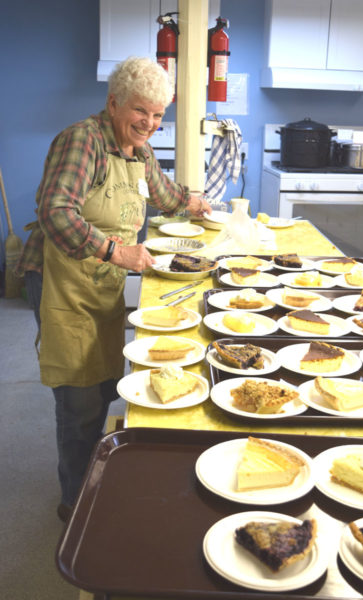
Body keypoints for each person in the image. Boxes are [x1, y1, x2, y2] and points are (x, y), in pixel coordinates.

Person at [16, 56, 211, 522]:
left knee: (104, 383)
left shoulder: (139, 152)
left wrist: (195, 203)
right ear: (114, 103)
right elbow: (56, 212)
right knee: (79, 397)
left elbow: (163, 193)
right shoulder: (84, 141)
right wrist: (115, 252)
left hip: (99, 283)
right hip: (60, 283)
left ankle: (92, 480)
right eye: (141, 111)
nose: (150, 123)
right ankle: (73, 506)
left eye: (159, 114)